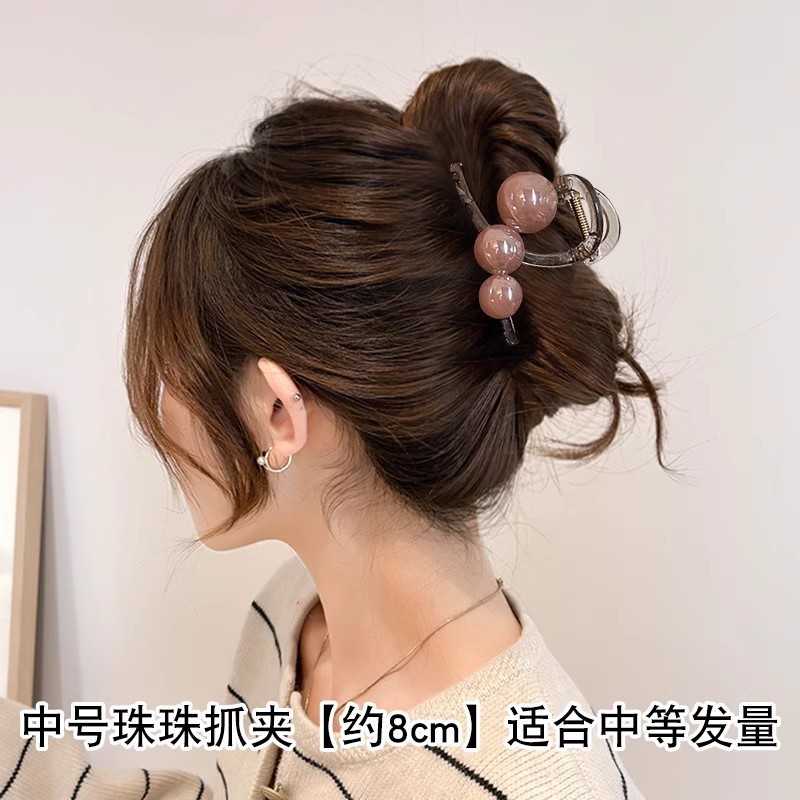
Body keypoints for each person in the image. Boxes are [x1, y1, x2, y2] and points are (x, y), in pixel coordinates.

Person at [1, 56, 668, 798]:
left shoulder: (537, 785)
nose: (161, 412)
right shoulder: (292, 616)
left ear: (278, 413)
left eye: (173, 373)